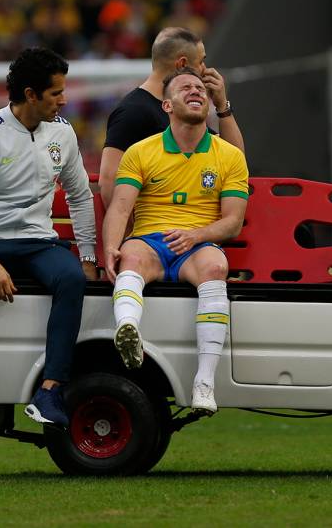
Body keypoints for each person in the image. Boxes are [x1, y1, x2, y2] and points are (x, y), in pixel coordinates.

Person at [0, 47, 98, 435]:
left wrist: (89, 256)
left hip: (38, 243)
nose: (64, 100)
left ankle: (50, 391)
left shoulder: (62, 132)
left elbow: (79, 195)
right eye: (56, 93)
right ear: (30, 94)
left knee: (72, 279)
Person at [102, 67, 249, 415]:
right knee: (131, 257)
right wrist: (110, 245)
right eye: (185, 87)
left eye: (200, 88)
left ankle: (205, 382)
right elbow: (121, 208)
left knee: (216, 266)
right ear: (166, 105)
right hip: (150, 240)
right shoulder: (140, 151)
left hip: (198, 245)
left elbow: (232, 222)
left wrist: (196, 234)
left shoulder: (228, 155)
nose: (195, 91)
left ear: (209, 103)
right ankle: (127, 329)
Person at [98, 26, 245, 207]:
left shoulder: (183, 110)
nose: (205, 69)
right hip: (151, 230)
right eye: (201, 62)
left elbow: (236, 163)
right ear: (182, 65)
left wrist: (222, 105)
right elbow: (108, 182)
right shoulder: (132, 112)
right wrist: (131, 234)